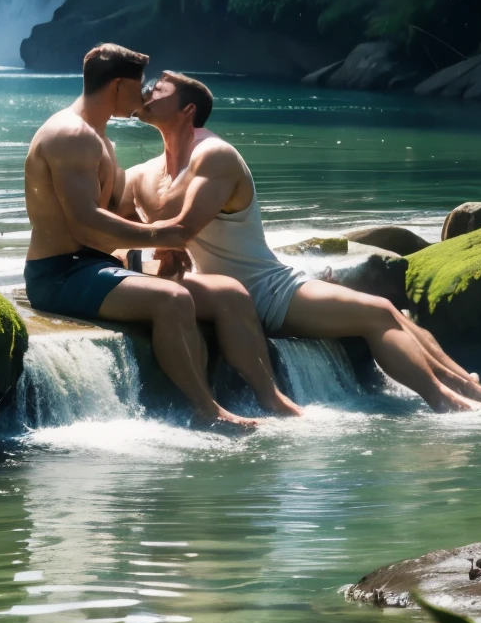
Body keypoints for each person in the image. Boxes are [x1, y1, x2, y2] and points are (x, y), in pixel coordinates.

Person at [122, 70, 481, 413]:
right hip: (233, 292)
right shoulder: (144, 172)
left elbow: (180, 226)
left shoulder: (214, 154)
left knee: (381, 311)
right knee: (378, 312)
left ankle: (456, 393)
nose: (148, 91)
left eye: (159, 88)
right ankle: (455, 394)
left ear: (187, 110)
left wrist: (157, 242)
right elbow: (114, 227)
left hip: (266, 286)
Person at [23, 43, 301, 426]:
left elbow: (117, 216)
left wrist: (154, 248)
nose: (144, 96)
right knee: (171, 299)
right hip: (59, 273)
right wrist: (162, 236)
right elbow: (83, 222)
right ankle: (208, 410)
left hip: (94, 266)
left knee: (230, 293)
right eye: (139, 87)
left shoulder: (100, 139)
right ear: (118, 86)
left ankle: (271, 398)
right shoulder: (72, 135)